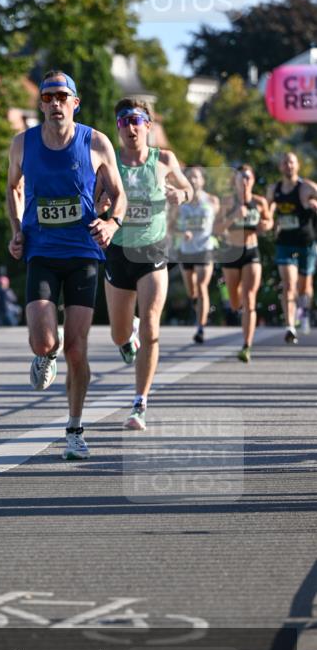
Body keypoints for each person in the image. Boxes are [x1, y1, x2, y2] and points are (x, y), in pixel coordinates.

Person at [7, 69, 127, 461]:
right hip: (41, 252)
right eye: (48, 97)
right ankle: (44, 355)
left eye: (62, 97)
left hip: (83, 254)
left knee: (76, 348)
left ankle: (74, 429)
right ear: (41, 104)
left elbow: (118, 193)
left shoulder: (96, 142)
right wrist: (16, 230)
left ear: (75, 103)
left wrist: (112, 224)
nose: (55, 103)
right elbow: (13, 188)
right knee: (45, 341)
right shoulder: (22, 143)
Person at [99, 98, 193, 431]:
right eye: (123, 121)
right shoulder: (110, 162)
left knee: (152, 326)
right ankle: (129, 337)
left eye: (136, 120)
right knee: (118, 334)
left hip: (153, 252)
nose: (130, 127)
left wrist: (181, 195)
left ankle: (140, 402)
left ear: (148, 126)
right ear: (118, 128)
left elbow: (188, 188)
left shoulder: (164, 159)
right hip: (119, 252)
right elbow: (95, 202)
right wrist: (102, 203)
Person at [214, 164, 272, 363]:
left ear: (253, 180)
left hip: (251, 251)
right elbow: (216, 229)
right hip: (231, 252)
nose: (245, 181)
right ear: (236, 181)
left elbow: (269, 221)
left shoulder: (259, 202)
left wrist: (266, 224)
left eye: (248, 177)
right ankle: (237, 307)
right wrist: (233, 217)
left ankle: (247, 345)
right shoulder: (227, 202)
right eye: (241, 177)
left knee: (249, 298)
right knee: (235, 302)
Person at [265, 152, 317, 342]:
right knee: (288, 284)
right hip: (285, 243)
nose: (288, 165)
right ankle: (290, 326)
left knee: (304, 287)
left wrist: (314, 204)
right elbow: (266, 211)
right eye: (285, 162)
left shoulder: (307, 187)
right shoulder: (274, 189)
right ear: (280, 167)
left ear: (298, 165)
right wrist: (269, 221)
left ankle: (304, 312)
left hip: (306, 243)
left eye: (292, 162)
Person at [171, 166, 219, 343]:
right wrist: (181, 233)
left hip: (205, 248)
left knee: (201, 285)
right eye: (189, 177)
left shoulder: (212, 200)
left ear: (202, 181)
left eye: (196, 177)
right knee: (192, 291)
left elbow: (220, 223)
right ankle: (196, 304)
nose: (192, 180)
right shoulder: (181, 203)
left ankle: (200, 327)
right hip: (186, 250)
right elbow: (170, 227)